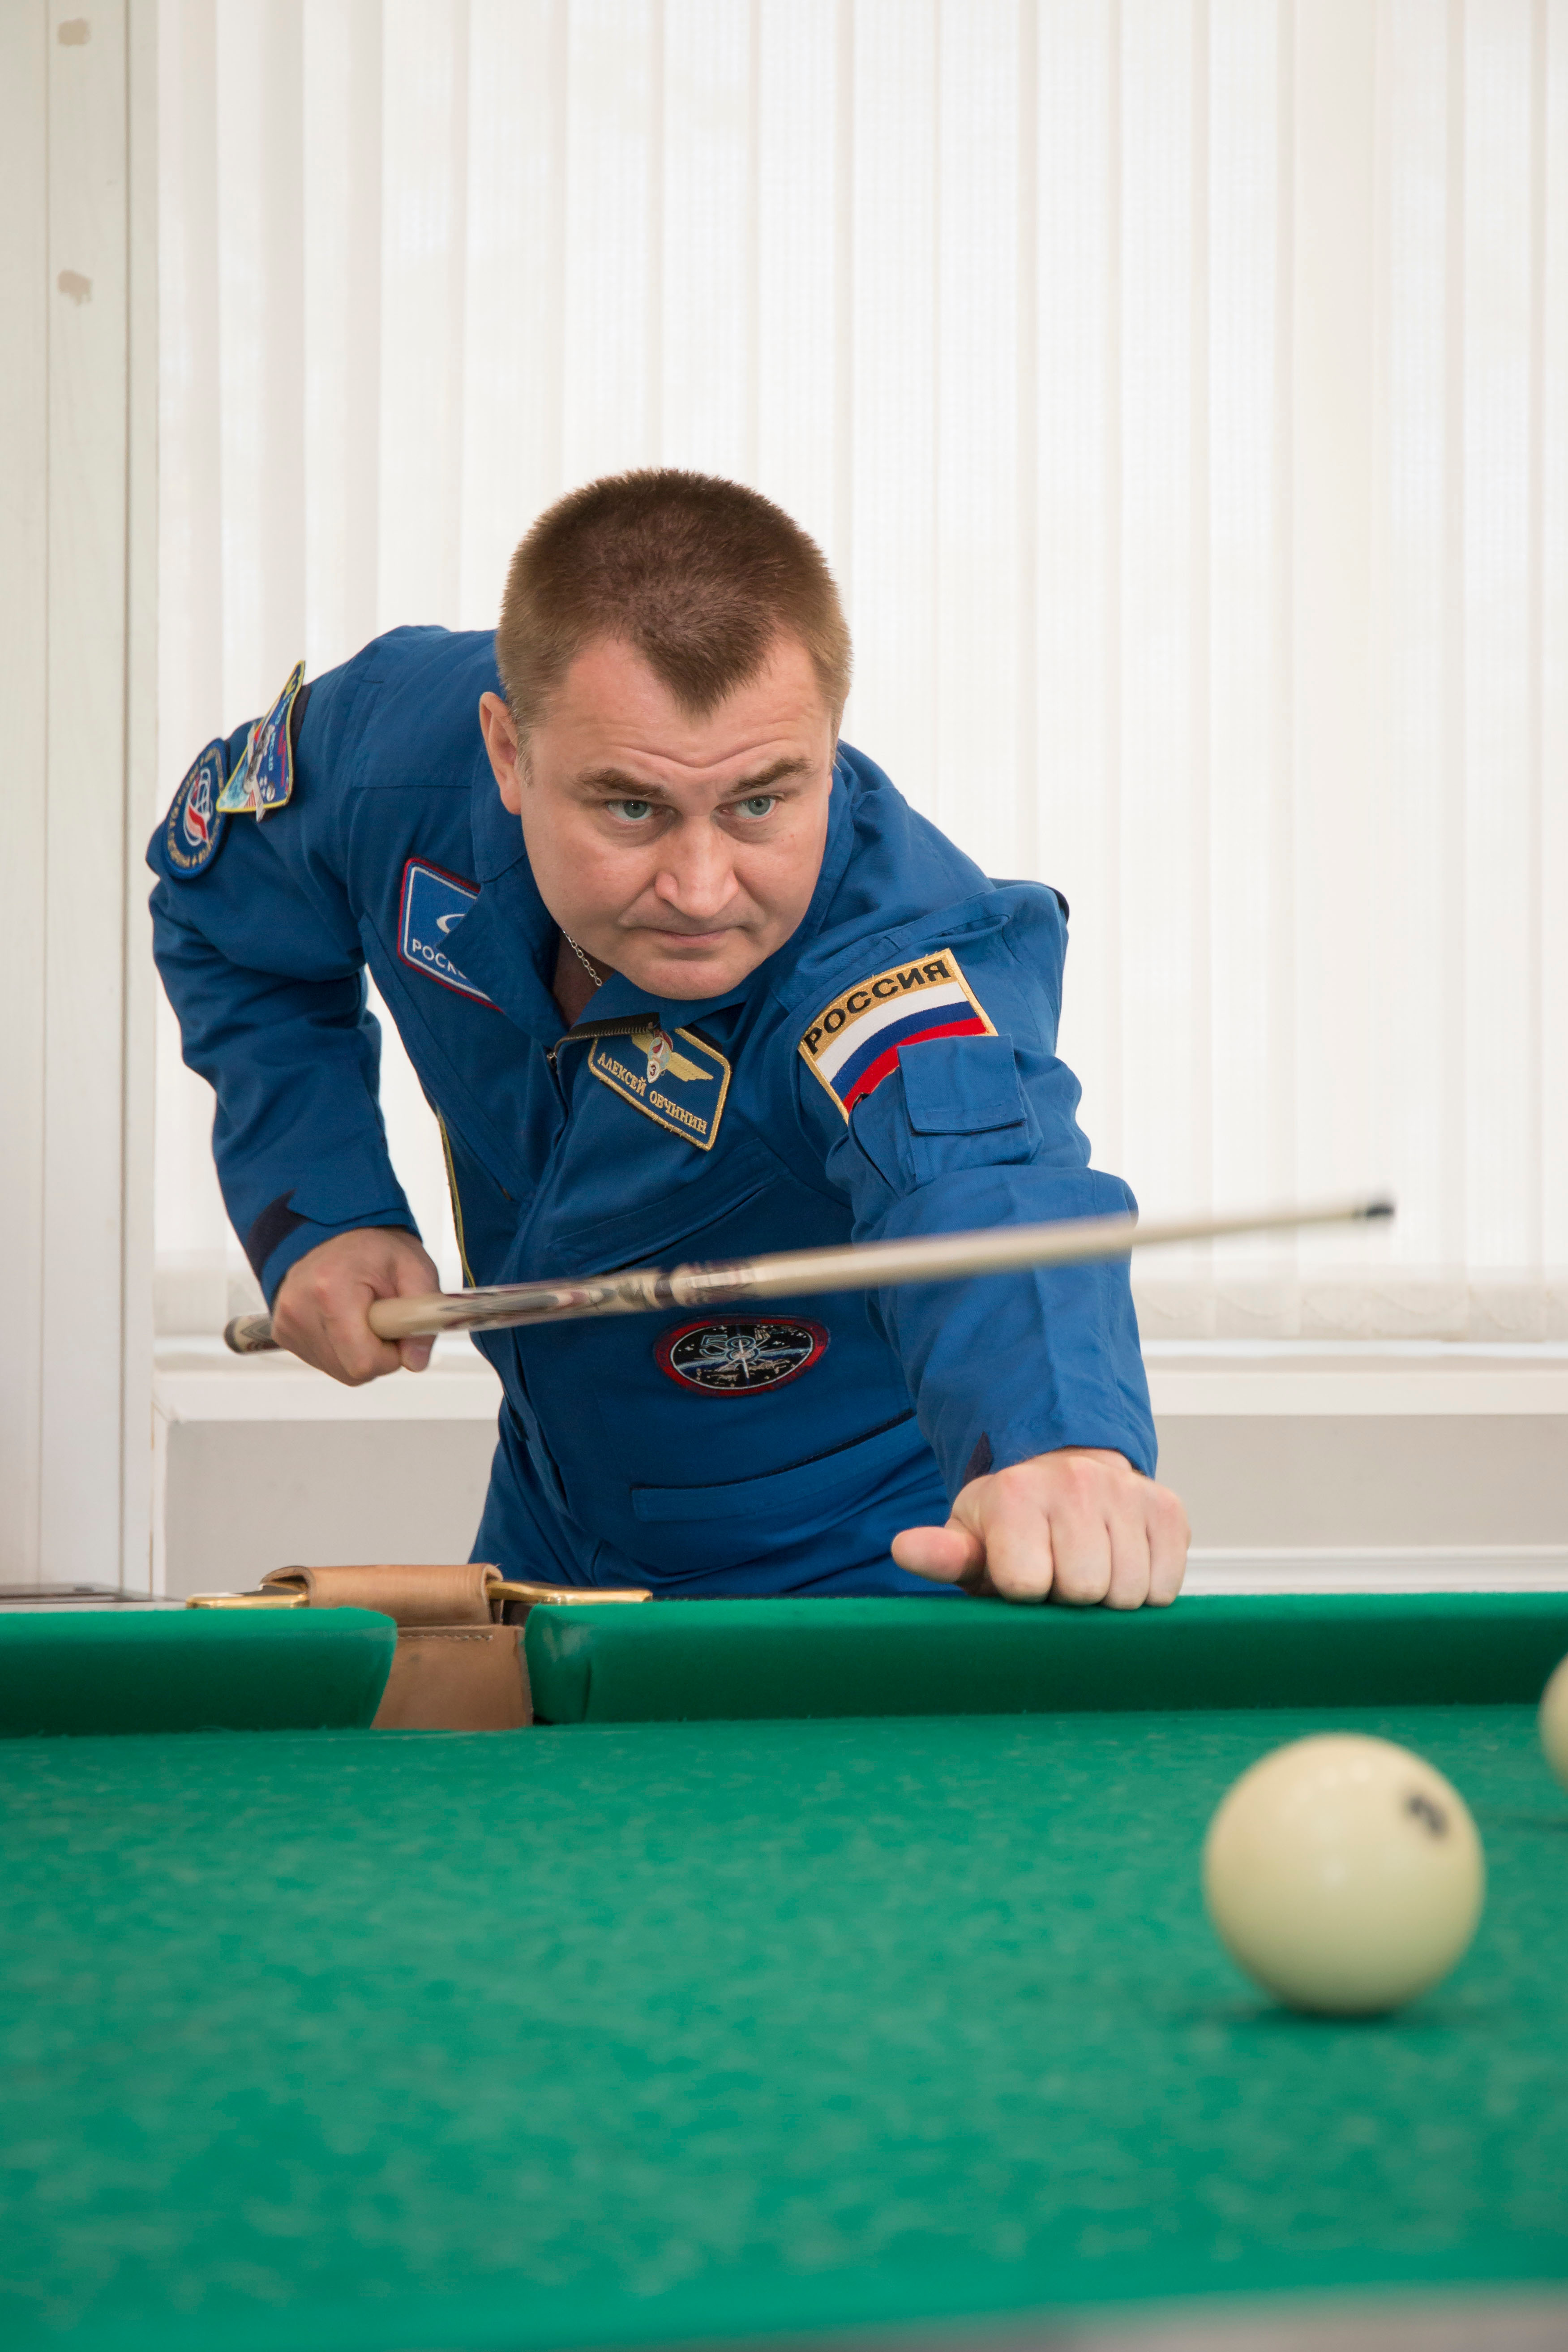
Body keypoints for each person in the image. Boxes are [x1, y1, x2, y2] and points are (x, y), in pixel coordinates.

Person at [150, 470, 1188, 1605]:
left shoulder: (891, 963)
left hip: (859, 1571)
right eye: (631, 808)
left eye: (760, 802)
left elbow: (986, 1184)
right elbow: (228, 917)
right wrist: (321, 1206)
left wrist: (1057, 1447)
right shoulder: (383, 761)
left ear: (828, 743)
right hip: (545, 1538)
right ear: (507, 752)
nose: (699, 889)